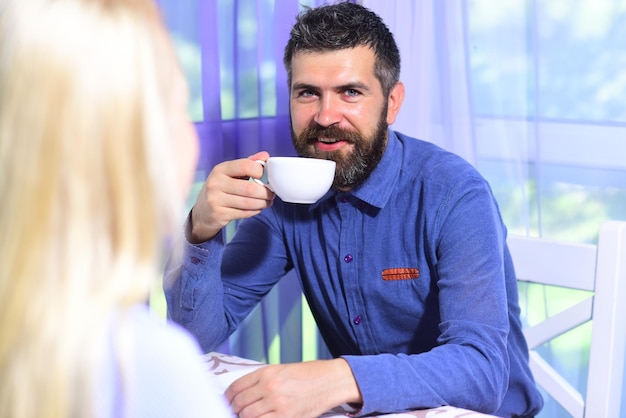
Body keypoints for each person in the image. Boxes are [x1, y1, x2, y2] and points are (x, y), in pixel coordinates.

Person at [164, 2, 544, 417]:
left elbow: (482, 372)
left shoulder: (454, 192)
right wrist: (201, 230)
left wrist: (335, 378)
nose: (326, 116)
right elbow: (192, 340)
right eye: (308, 93)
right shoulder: (288, 195)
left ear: (392, 103)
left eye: (350, 92)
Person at [0, 0, 233, 417]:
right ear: (127, 146)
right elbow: (198, 333)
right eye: (178, 109)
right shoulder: (143, 364)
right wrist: (201, 229)